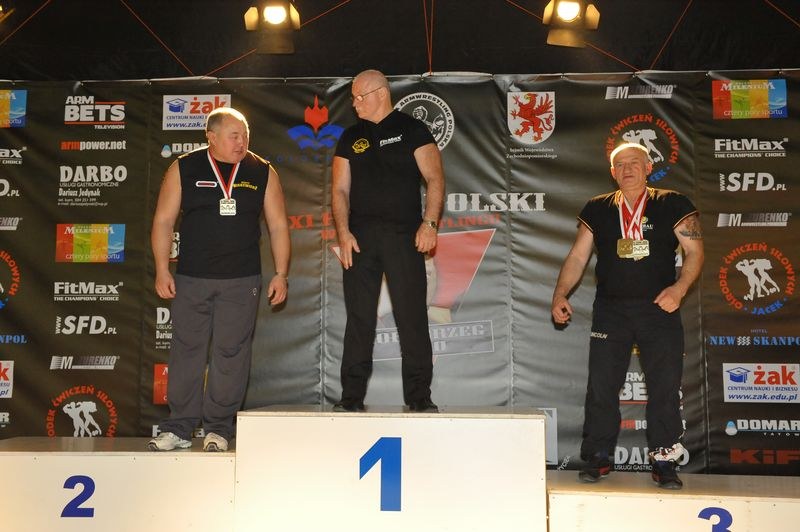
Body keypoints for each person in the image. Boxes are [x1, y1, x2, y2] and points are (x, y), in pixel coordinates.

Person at [551, 142, 703, 489]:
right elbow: (577, 256)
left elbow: (695, 251)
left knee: (664, 386)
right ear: (612, 172)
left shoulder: (672, 202)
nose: (627, 169)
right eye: (620, 165)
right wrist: (560, 294)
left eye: (635, 162)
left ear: (649, 167)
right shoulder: (598, 208)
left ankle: (664, 460)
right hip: (611, 311)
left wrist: (679, 290)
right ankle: (598, 457)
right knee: (601, 386)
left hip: (659, 308)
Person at [148, 107, 290, 451]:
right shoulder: (184, 167)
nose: (242, 142)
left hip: (241, 280)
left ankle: (219, 429)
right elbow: (164, 220)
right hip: (191, 278)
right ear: (211, 137)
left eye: (245, 135)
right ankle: (178, 428)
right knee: (186, 352)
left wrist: (281, 273)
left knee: (231, 354)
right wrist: (162, 269)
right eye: (234, 135)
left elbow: (278, 225)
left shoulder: (262, 171)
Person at [331, 69, 445, 413]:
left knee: (412, 317)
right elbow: (339, 190)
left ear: (381, 93)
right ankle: (351, 398)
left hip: (404, 236)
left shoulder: (413, 129)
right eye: (352, 98)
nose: (354, 103)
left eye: (359, 97)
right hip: (360, 240)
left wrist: (430, 224)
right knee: (359, 318)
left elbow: (435, 178)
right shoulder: (350, 136)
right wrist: (343, 233)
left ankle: (419, 397)